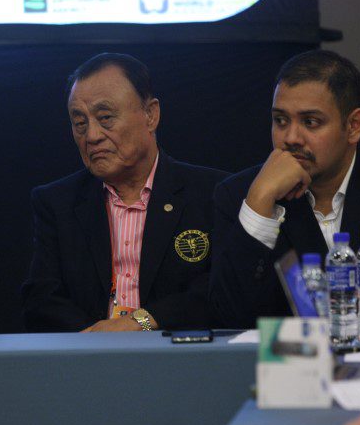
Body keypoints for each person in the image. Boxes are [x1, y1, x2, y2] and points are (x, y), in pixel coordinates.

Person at [210, 50, 360, 328]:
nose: (291, 138)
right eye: (280, 120)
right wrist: (260, 203)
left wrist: (337, 322)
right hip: (286, 358)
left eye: (310, 122)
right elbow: (229, 315)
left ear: (353, 126)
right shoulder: (241, 194)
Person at [22, 53, 227, 332]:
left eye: (105, 118)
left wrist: (140, 322)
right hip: (87, 351)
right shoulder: (56, 203)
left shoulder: (213, 194)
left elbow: (219, 289)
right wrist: (97, 338)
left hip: (176, 350)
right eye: (80, 123)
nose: (92, 136)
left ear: (150, 115)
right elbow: (41, 299)